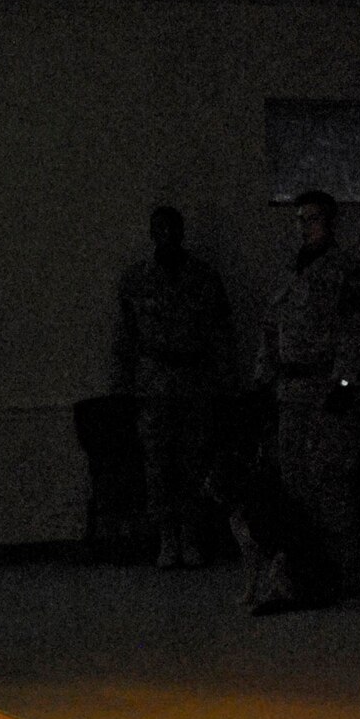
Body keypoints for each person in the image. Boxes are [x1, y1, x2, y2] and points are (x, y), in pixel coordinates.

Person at [253, 190, 360, 607]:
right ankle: (308, 571)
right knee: (295, 482)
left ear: (331, 222)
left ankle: (347, 572)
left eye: (314, 219)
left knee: (332, 481)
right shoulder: (291, 273)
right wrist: (262, 383)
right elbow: (272, 330)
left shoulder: (348, 273)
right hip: (291, 392)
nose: (306, 226)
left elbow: (357, 334)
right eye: (301, 219)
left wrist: (344, 386)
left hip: (327, 390)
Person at [111, 205, 235, 570]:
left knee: (194, 461)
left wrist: (228, 386)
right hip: (153, 382)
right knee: (158, 464)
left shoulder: (205, 278)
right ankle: (167, 536)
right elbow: (124, 339)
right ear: (152, 234)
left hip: (196, 379)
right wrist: (123, 390)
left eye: (172, 228)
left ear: (182, 232)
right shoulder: (136, 280)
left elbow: (221, 335)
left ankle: (192, 536)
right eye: (159, 229)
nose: (166, 235)